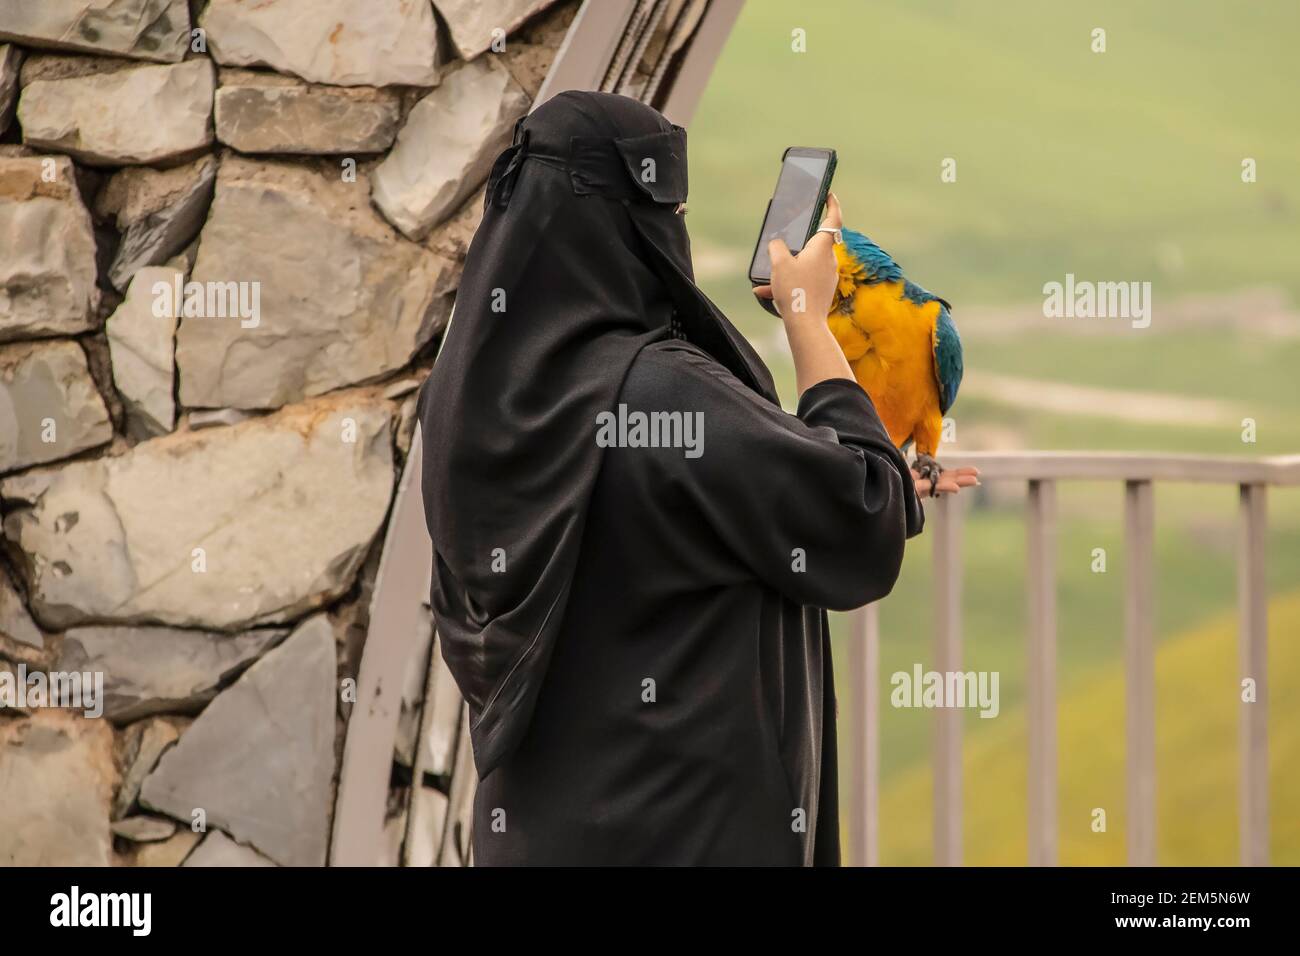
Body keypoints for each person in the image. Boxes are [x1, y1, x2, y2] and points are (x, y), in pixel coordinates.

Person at [417, 91, 977, 865]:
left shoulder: (466, 400)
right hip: (691, 832)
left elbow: (672, 509)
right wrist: (808, 318)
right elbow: (860, 525)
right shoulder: (661, 394)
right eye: (669, 214)